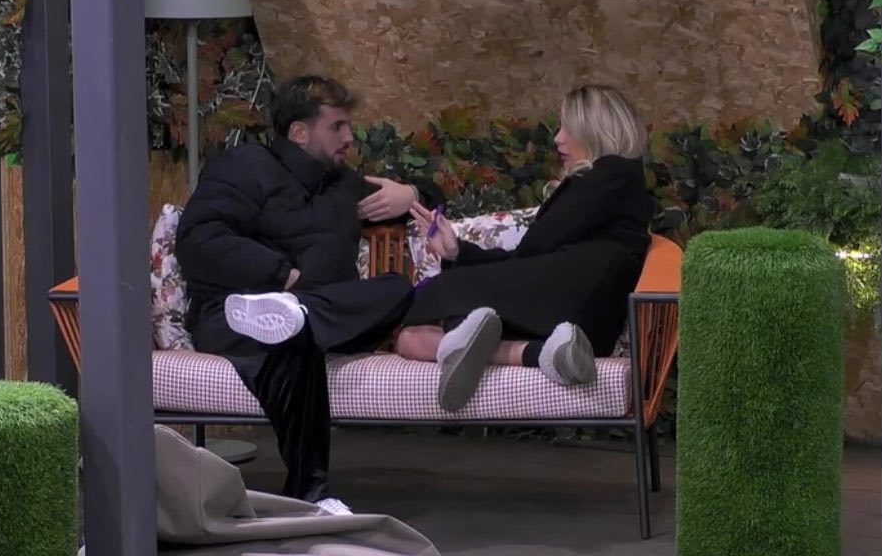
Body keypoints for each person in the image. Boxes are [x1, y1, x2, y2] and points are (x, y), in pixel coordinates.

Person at [174, 75, 439, 514]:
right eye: (337, 126)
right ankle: (311, 492)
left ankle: (300, 316)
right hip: (236, 314)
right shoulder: (244, 166)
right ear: (299, 132)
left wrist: (411, 193)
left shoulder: (344, 186)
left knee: (394, 289)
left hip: (319, 312)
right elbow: (198, 238)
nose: (349, 137)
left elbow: (433, 201)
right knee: (296, 342)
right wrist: (281, 275)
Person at [394, 84, 655, 412]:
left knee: (434, 302)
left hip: (569, 305)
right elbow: (533, 255)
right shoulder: (619, 179)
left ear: (594, 131)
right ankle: (537, 353)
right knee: (412, 337)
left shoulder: (611, 174)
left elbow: (534, 249)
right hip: (572, 312)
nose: (558, 139)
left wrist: (462, 262)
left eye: (567, 128)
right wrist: (457, 252)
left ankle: (467, 339)